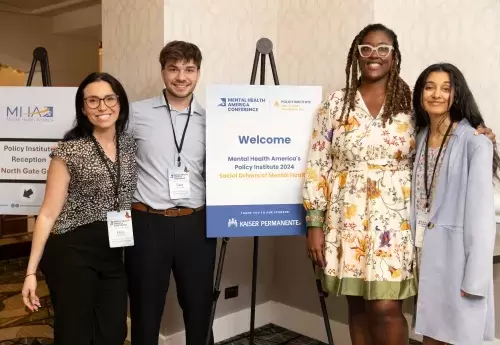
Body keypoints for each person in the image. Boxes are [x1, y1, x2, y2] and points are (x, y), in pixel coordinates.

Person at [303, 23, 496, 345]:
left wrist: (482, 132)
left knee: (386, 307)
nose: (374, 55)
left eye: (383, 49)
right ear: (356, 54)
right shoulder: (334, 105)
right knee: (356, 305)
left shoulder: (412, 102)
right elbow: (317, 164)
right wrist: (314, 224)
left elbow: (445, 131)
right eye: (366, 48)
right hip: (345, 221)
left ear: (395, 56)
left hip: (395, 224)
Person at [21, 72, 137, 345]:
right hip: (72, 248)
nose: (102, 107)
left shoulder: (129, 145)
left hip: (112, 250)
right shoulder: (69, 150)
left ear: (119, 102)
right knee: (76, 333)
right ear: (83, 108)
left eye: (109, 98)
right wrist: (30, 273)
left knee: (113, 331)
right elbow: (48, 213)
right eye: (93, 101)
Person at [124, 40, 216, 345]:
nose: (181, 77)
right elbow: (111, 156)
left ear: (198, 73)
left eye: (189, 69)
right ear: (163, 71)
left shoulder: (212, 119)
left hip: (196, 224)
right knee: (145, 310)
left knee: (199, 308)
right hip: (148, 223)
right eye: (173, 68)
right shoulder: (135, 114)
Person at [411, 63, 497, 345]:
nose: (437, 94)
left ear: (457, 95)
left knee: (457, 336)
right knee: (431, 336)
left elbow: (481, 219)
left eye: (446, 88)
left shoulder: (475, 142)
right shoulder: (421, 136)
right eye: (429, 87)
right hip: (425, 251)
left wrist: (475, 278)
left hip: (456, 258)